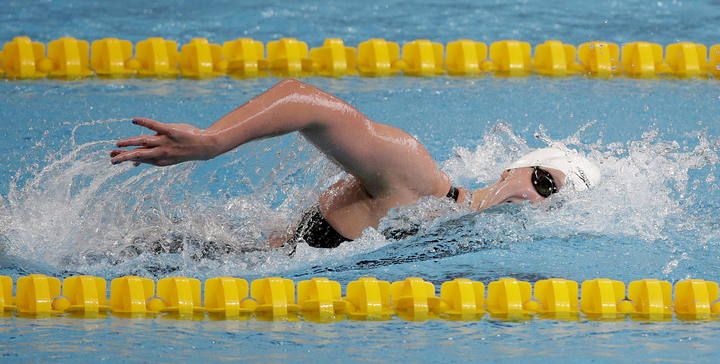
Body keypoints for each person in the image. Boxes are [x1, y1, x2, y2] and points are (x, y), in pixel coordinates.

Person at [111, 79, 600, 250]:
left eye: (550, 199)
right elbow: (303, 100)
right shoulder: (420, 177)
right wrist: (214, 141)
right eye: (542, 179)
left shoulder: (452, 232)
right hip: (174, 261)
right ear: (514, 169)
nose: (534, 197)